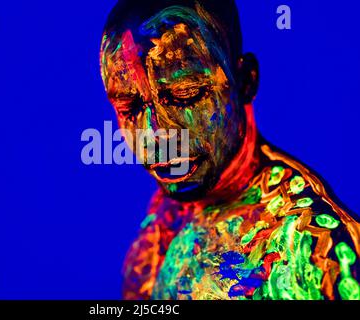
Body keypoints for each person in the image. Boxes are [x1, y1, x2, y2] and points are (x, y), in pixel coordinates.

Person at [100, 0, 360, 300]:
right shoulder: (169, 208)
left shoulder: (316, 249)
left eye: (186, 95)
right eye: (127, 106)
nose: (154, 135)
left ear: (245, 81)